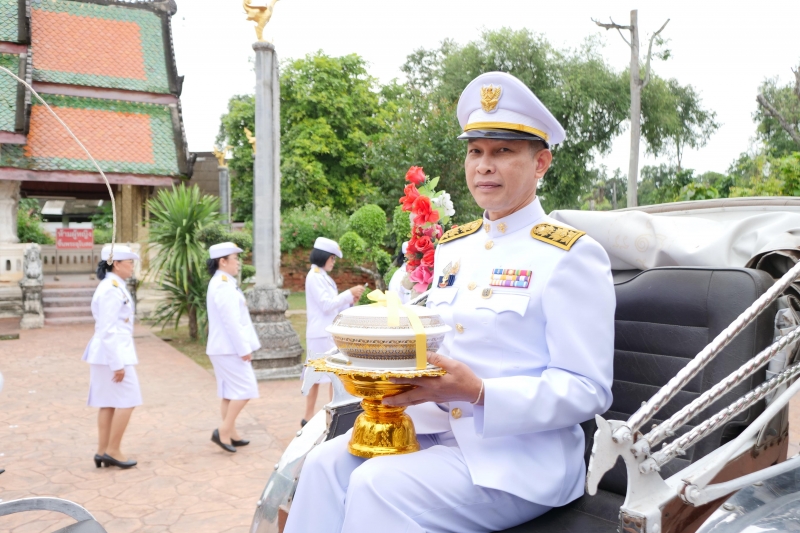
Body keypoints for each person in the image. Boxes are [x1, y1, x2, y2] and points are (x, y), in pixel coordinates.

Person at [285, 72, 616, 533]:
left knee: (377, 484)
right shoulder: (455, 247)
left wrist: (478, 391)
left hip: (518, 458)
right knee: (322, 465)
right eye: (475, 151)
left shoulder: (569, 256)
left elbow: (588, 388)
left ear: (541, 163)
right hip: (432, 428)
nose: (484, 165)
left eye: (503, 151)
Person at [83, 244, 141, 469]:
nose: (132, 267)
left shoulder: (114, 285)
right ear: (116, 264)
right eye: (129, 262)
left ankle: (102, 451)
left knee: (108, 403)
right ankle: (113, 450)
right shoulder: (110, 288)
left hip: (109, 353)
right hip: (112, 355)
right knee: (129, 399)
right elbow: (107, 329)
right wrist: (117, 364)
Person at [302, 237, 365, 426]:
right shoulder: (314, 276)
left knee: (331, 375)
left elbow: (333, 308)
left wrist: (350, 299)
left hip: (325, 331)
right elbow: (326, 305)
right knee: (319, 375)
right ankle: (309, 416)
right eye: (332, 259)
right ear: (324, 257)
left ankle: (330, 413)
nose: (333, 262)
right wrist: (348, 292)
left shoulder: (323, 276)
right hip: (320, 333)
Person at [205, 242, 261, 453]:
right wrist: (243, 348)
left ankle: (231, 433)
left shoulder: (224, 282)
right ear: (223, 261)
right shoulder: (222, 284)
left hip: (224, 347)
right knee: (246, 389)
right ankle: (223, 430)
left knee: (229, 392)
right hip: (228, 348)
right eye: (235, 258)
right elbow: (231, 321)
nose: (238, 262)